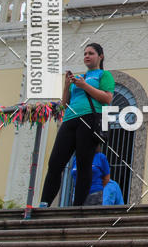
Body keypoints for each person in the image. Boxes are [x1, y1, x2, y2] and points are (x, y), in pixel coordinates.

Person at [40, 43, 115, 206]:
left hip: (89, 118)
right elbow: (64, 105)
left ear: (100, 56)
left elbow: (107, 98)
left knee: (83, 163)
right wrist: (67, 86)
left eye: (91, 53)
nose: (87, 56)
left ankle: (78, 206)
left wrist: (84, 86)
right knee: (54, 163)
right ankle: (44, 203)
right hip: (69, 119)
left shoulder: (104, 75)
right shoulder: (79, 78)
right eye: (85, 53)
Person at [70, 141, 111, 205]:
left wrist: (96, 188)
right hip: (77, 194)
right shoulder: (76, 158)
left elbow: (107, 178)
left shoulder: (100, 157)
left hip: (95, 194)